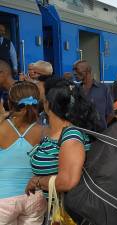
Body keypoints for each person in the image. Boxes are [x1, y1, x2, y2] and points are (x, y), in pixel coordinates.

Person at [25, 78, 100, 213]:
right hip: (55, 210)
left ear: (48, 104)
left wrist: (37, 181)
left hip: (68, 214)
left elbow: (67, 181)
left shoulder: (71, 136)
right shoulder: (56, 132)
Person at [0, 81, 47, 224]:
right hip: (35, 197)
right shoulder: (44, 130)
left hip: (3, 198)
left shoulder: (1, 127)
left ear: (10, 102)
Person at [73, 60, 114, 130]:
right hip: (82, 133)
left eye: (77, 70)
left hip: (100, 133)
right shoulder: (76, 90)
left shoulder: (104, 89)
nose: (74, 73)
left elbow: (110, 113)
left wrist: (101, 127)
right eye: (74, 71)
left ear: (87, 71)